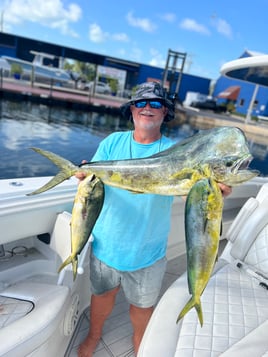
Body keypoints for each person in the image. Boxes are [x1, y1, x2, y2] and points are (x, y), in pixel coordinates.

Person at [77, 82, 232, 357]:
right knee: (102, 297)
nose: (148, 108)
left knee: (142, 307)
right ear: (132, 110)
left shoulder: (180, 153)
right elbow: (93, 175)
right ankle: (94, 334)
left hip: (148, 251)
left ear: (165, 114)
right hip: (106, 244)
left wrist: (213, 192)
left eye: (156, 104)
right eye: (141, 103)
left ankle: (141, 344)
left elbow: (191, 193)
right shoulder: (112, 143)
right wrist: (83, 173)